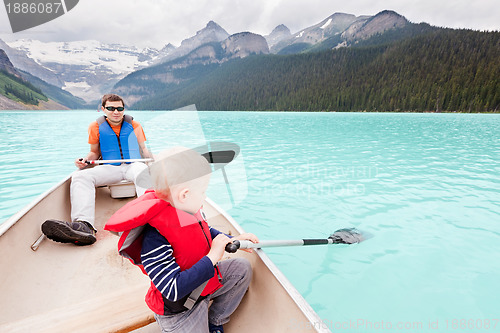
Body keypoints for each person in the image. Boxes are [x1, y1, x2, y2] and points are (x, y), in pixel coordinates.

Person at [104, 147, 258, 333]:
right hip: (179, 312)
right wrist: (213, 256)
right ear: (184, 195)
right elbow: (172, 290)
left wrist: (232, 239)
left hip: (204, 289)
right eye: (203, 192)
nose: (205, 197)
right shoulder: (155, 237)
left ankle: (215, 320)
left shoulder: (184, 210)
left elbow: (204, 231)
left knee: (241, 270)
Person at [42, 93, 152, 246]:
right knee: (80, 177)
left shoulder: (135, 125)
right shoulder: (95, 127)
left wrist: (155, 161)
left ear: (123, 109)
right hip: (110, 168)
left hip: (133, 165)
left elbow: (144, 150)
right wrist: (85, 161)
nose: (116, 111)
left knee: (143, 172)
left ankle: (150, 221)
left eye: (120, 108)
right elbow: (94, 152)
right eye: (111, 108)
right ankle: (84, 226)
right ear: (103, 109)